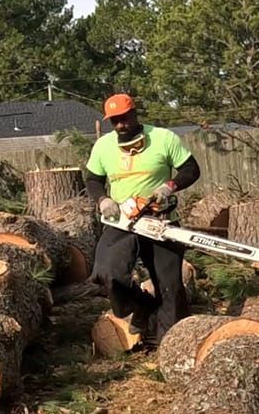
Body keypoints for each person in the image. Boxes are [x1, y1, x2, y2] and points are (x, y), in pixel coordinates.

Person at [84, 93, 201, 346]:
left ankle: (170, 345)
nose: (120, 125)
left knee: (169, 286)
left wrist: (170, 186)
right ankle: (143, 305)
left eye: (124, 119)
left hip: (160, 219)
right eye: (114, 121)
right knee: (106, 272)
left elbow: (191, 169)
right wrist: (103, 200)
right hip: (122, 221)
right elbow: (93, 180)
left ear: (135, 114)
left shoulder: (162, 138)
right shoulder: (104, 146)